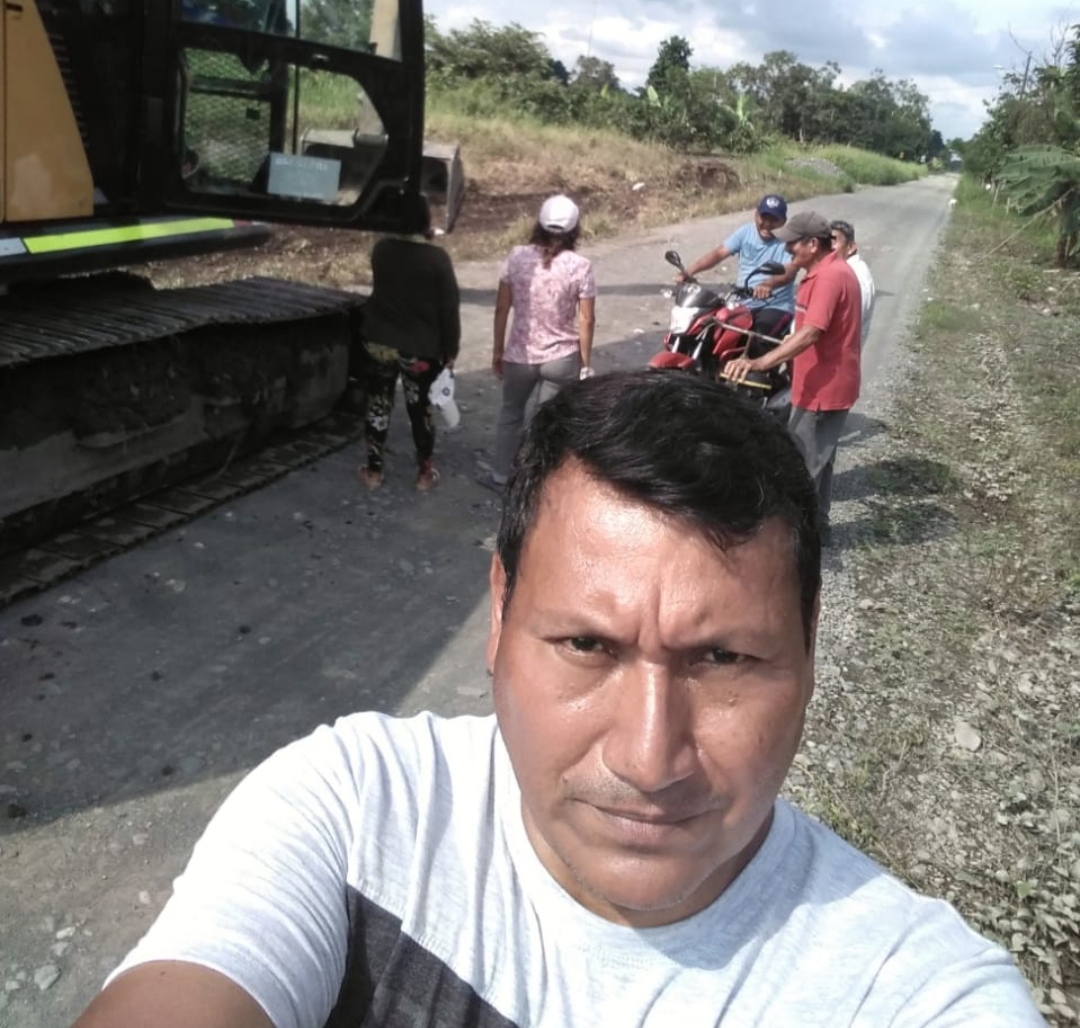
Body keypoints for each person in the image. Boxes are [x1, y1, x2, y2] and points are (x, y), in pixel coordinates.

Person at [70, 372, 1040, 1027]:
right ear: (499, 615)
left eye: (725, 658)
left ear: (809, 646)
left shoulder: (907, 987)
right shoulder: (358, 812)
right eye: (587, 644)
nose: (649, 760)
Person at [725, 209, 860, 536]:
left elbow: (811, 333)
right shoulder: (822, 272)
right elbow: (811, 330)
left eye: (793, 244)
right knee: (820, 463)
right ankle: (818, 530)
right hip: (815, 383)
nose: (787, 249)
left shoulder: (829, 278)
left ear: (813, 244)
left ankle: (796, 541)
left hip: (823, 390)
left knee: (804, 469)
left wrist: (759, 363)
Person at [485, 193, 596, 488]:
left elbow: (502, 308)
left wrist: (498, 350)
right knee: (546, 421)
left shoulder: (516, 257)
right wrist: (585, 363)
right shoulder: (580, 265)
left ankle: (501, 474)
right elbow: (586, 319)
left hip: (520, 355)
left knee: (511, 413)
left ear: (539, 224)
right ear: (574, 229)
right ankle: (535, 482)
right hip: (561, 358)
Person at [356, 198, 460, 493]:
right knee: (420, 409)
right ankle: (424, 475)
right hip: (421, 349)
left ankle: (374, 472)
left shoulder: (382, 250)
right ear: (426, 220)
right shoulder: (437, 259)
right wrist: (451, 349)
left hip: (379, 342)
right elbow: (449, 309)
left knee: (378, 404)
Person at [677, 192, 796, 330]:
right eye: (764, 217)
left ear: (783, 221)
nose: (768, 224)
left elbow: (789, 271)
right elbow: (719, 253)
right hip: (741, 303)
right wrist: (688, 272)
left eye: (774, 220)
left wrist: (768, 284)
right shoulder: (745, 232)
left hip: (775, 306)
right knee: (707, 328)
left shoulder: (788, 242)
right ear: (756, 215)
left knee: (758, 337)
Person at [831, 218, 875, 346]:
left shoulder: (853, 276)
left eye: (833, 241)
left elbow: (847, 325)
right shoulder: (851, 270)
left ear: (850, 247)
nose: (828, 247)